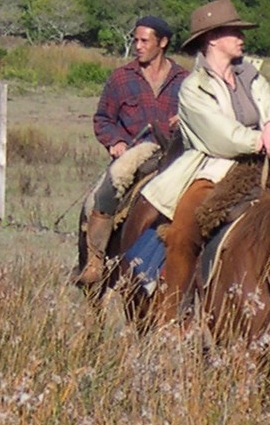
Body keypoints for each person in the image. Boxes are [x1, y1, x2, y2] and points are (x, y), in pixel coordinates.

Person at [139, 0, 270, 324]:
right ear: (212, 39)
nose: (240, 36)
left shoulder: (250, 75)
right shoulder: (193, 87)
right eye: (233, 30)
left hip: (264, 166)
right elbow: (219, 135)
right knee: (183, 232)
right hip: (213, 169)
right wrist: (261, 139)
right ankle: (172, 314)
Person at [75, 15, 188, 286]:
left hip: (174, 155)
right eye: (135, 40)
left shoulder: (185, 80)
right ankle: (94, 260)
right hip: (135, 154)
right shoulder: (121, 78)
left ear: (162, 42)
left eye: (144, 41)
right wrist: (115, 142)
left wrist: (186, 119)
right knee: (101, 194)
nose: (137, 46)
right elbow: (103, 118)